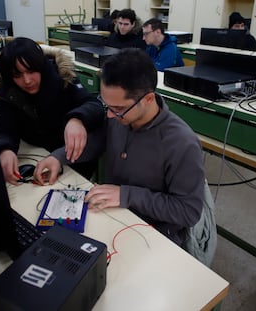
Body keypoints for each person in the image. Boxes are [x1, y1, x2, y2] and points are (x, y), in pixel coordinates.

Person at [34, 48, 205, 247]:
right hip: (111, 215)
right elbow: (99, 141)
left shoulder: (182, 143)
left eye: (119, 109)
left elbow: (188, 211)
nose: (109, 116)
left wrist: (126, 195)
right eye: (107, 106)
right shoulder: (119, 117)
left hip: (152, 234)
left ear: (148, 99)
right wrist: (59, 157)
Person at [0, 37, 105, 185]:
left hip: (71, 158)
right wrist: (4, 149)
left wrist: (77, 119)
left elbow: (94, 105)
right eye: (17, 75)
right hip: (36, 153)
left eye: (31, 71)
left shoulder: (62, 79)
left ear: (41, 66)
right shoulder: (9, 91)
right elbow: (4, 128)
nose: (27, 80)